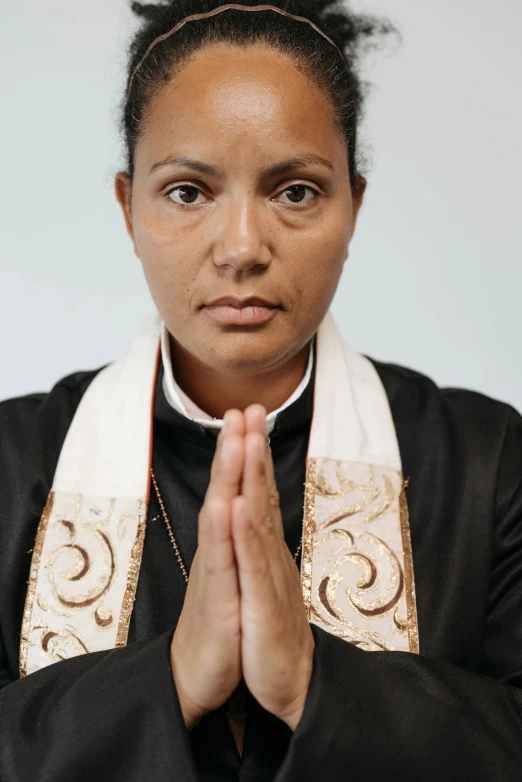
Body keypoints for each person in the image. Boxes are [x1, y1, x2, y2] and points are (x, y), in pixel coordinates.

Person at [1, 0, 522, 779]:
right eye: (187, 192)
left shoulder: (487, 462)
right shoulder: (11, 463)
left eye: (297, 191)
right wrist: (167, 683)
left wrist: (320, 683)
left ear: (356, 204)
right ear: (127, 208)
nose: (242, 248)